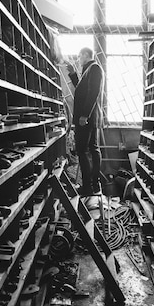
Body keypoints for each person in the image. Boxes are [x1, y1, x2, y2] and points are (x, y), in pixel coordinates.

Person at [65, 47, 104, 196]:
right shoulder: (90, 70)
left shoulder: (94, 69)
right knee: (93, 149)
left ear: (86, 55)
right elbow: (82, 89)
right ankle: (94, 186)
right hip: (90, 118)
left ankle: (89, 186)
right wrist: (73, 73)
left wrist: (84, 115)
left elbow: (93, 92)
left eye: (80, 56)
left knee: (83, 150)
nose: (78, 59)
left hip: (87, 118)